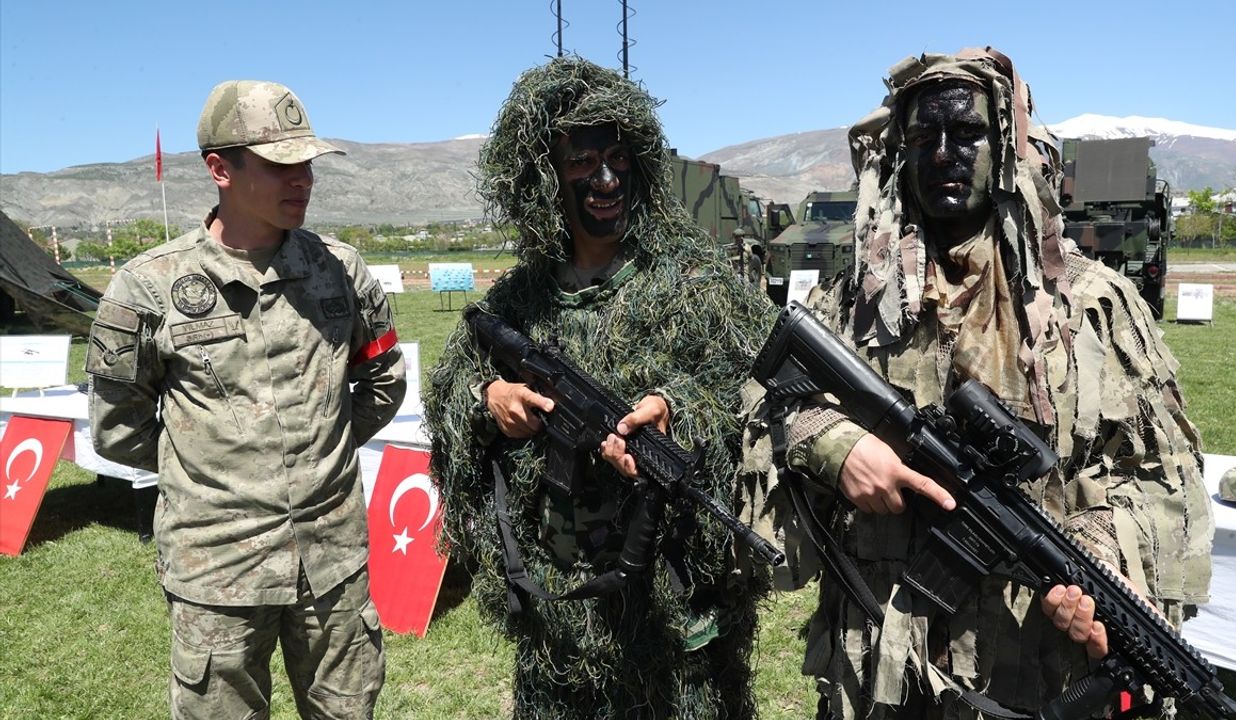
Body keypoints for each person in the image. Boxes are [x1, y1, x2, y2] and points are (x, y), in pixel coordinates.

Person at [739, 49, 1213, 719]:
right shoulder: (855, 303)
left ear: (1007, 147)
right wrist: (834, 445)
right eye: (923, 136)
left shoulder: (1090, 305)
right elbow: (764, 407)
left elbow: (1166, 477)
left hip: (1033, 665)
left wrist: (1102, 556)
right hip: (879, 660)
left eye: (967, 134)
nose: (942, 153)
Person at [425, 57, 775, 719]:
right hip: (558, 623)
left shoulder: (692, 284)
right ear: (544, 178)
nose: (606, 179)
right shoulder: (521, 298)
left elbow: (753, 391)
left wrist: (675, 410)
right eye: (584, 162)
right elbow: (447, 390)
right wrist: (487, 399)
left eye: (618, 157)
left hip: (676, 626)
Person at [87, 80, 405, 719]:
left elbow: (383, 380)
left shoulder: (341, 270)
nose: (303, 180)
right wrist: (216, 475)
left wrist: (322, 449)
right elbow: (117, 427)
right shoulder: (147, 288)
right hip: (217, 572)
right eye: (280, 165)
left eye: (307, 164)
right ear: (219, 169)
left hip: (331, 563)